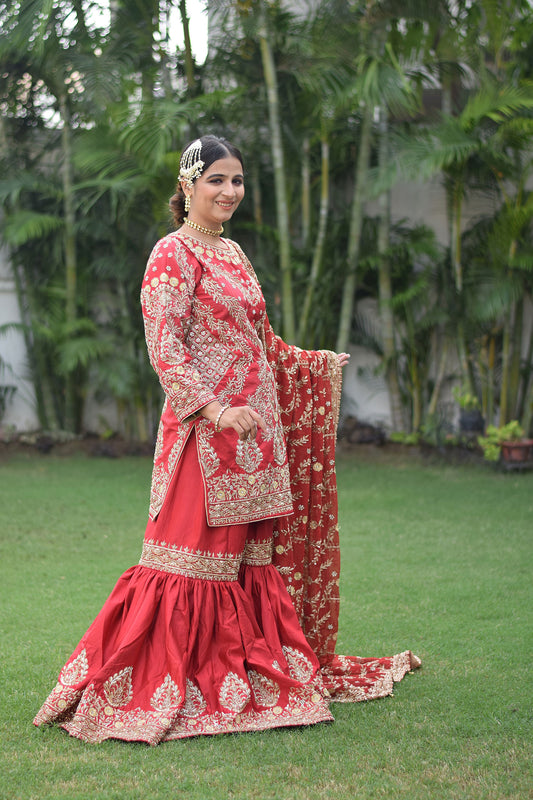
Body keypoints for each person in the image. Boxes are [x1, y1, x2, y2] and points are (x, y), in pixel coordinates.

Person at [33, 135, 420, 745]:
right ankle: (161, 684)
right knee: (188, 564)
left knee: (249, 564)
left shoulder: (235, 254)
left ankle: (246, 670)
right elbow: (165, 348)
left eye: (237, 181)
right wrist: (214, 409)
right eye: (216, 180)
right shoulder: (171, 255)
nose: (229, 192)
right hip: (204, 438)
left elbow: (260, 341)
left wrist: (314, 365)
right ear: (187, 186)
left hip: (256, 440)